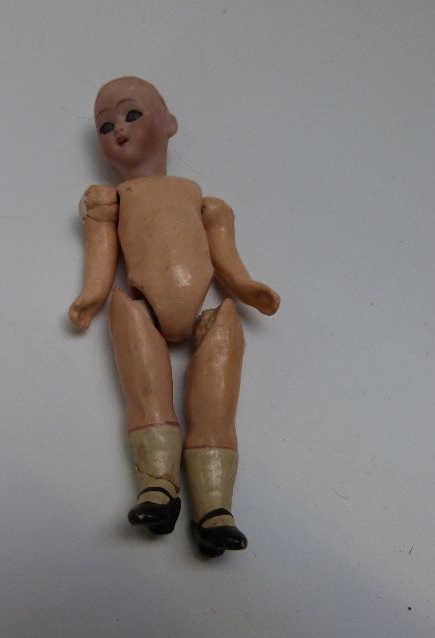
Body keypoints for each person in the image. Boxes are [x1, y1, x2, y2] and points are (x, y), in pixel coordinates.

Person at [69, 77, 280, 556]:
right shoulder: (110, 201)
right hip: (140, 307)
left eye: (132, 115)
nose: (119, 130)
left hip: (207, 310)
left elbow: (226, 261)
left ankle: (214, 507)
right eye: (106, 126)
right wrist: (91, 296)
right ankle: (157, 487)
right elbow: (102, 260)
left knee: (216, 402)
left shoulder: (204, 203)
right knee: (146, 396)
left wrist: (248, 289)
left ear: (170, 124)